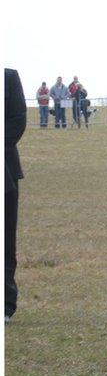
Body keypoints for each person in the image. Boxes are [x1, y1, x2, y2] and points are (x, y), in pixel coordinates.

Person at [6, 68, 27, 323]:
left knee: (5, 239)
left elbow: (18, 118)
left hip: (5, 170)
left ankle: (6, 305)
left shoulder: (9, 78)